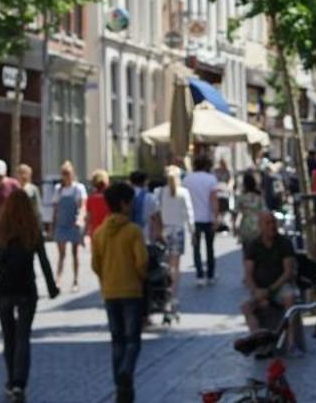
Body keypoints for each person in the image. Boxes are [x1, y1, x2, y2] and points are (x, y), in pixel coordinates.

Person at [0, 188, 60, 403]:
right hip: (27, 289)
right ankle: (20, 383)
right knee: (23, 338)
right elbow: (44, 261)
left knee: (9, 338)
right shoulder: (32, 230)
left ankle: (11, 381)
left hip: (4, 289)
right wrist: (52, 287)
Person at [92, 181, 149, 403]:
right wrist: (140, 276)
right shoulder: (133, 231)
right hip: (131, 291)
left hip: (110, 292)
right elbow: (142, 261)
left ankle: (120, 385)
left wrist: (106, 277)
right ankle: (127, 371)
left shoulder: (99, 233)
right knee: (132, 340)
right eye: (131, 203)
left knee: (117, 341)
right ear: (124, 204)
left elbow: (95, 264)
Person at [239, 209, 300, 356]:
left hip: (278, 287)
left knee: (290, 298)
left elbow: (288, 272)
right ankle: (259, 343)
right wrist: (256, 291)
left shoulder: (284, 243)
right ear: (260, 226)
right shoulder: (253, 245)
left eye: (273, 222)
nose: (271, 226)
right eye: (267, 223)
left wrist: (270, 290)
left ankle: (291, 344)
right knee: (246, 306)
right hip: (259, 289)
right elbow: (248, 274)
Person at [155, 165, 193, 312]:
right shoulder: (183, 192)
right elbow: (189, 213)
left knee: (165, 265)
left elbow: (157, 212)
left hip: (165, 230)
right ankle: (173, 293)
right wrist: (192, 230)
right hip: (178, 230)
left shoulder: (159, 193)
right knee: (175, 266)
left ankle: (164, 292)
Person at [181, 155, 220, 285]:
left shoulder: (187, 179)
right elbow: (213, 199)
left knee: (196, 247)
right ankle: (210, 274)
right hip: (208, 217)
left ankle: (199, 275)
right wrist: (216, 216)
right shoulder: (211, 179)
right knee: (210, 247)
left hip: (193, 218)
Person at [49, 161, 88, 289]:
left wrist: (80, 219)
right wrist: (52, 226)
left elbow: (82, 205)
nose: (66, 176)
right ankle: (58, 280)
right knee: (61, 254)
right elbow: (55, 209)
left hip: (73, 223)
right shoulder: (58, 190)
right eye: (64, 174)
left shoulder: (78, 188)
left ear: (73, 174)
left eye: (68, 173)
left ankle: (75, 280)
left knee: (74, 252)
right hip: (62, 223)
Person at [233, 170, 266, 238]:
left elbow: (235, 212)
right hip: (258, 225)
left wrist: (234, 226)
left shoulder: (241, 197)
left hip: (246, 226)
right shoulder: (259, 197)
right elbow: (264, 211)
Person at [84, 169, 112, 240]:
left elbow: (88, 217)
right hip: (109, 230)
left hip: (95, 232)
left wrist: (85, 230)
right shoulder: (111, 197)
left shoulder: (90, 199)